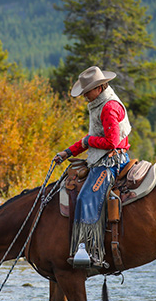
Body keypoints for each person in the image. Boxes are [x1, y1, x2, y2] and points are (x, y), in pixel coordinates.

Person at [54, 66, 131, 268]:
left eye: (87, 91)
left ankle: (89, 251)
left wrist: (89, 141)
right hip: (101, 158)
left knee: (87, 197)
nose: (85, 96)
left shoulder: (108, 107)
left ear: (99, 87)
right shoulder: (100, 103)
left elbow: (112, 142)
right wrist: (67, 153)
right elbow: (90, 139)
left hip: (110, 162)